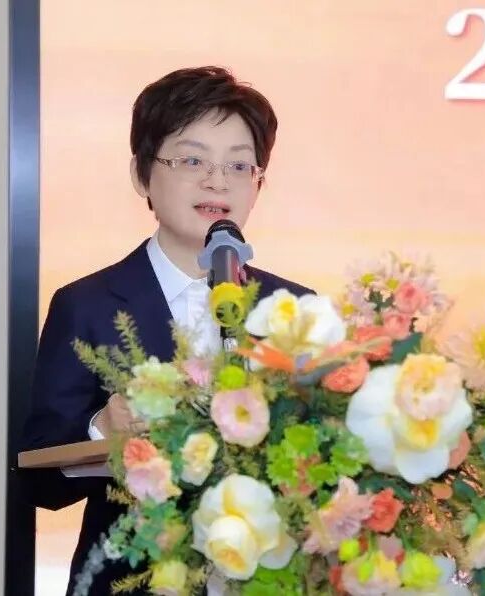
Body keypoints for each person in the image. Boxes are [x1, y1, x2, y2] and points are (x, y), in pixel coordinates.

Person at [20, 66, 312, 595]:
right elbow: (39, 484)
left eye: (239, 165)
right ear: (142, 174)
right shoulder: (86, 305)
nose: (217, 181)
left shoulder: (294, 311)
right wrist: (101, 430)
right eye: (193, 160)